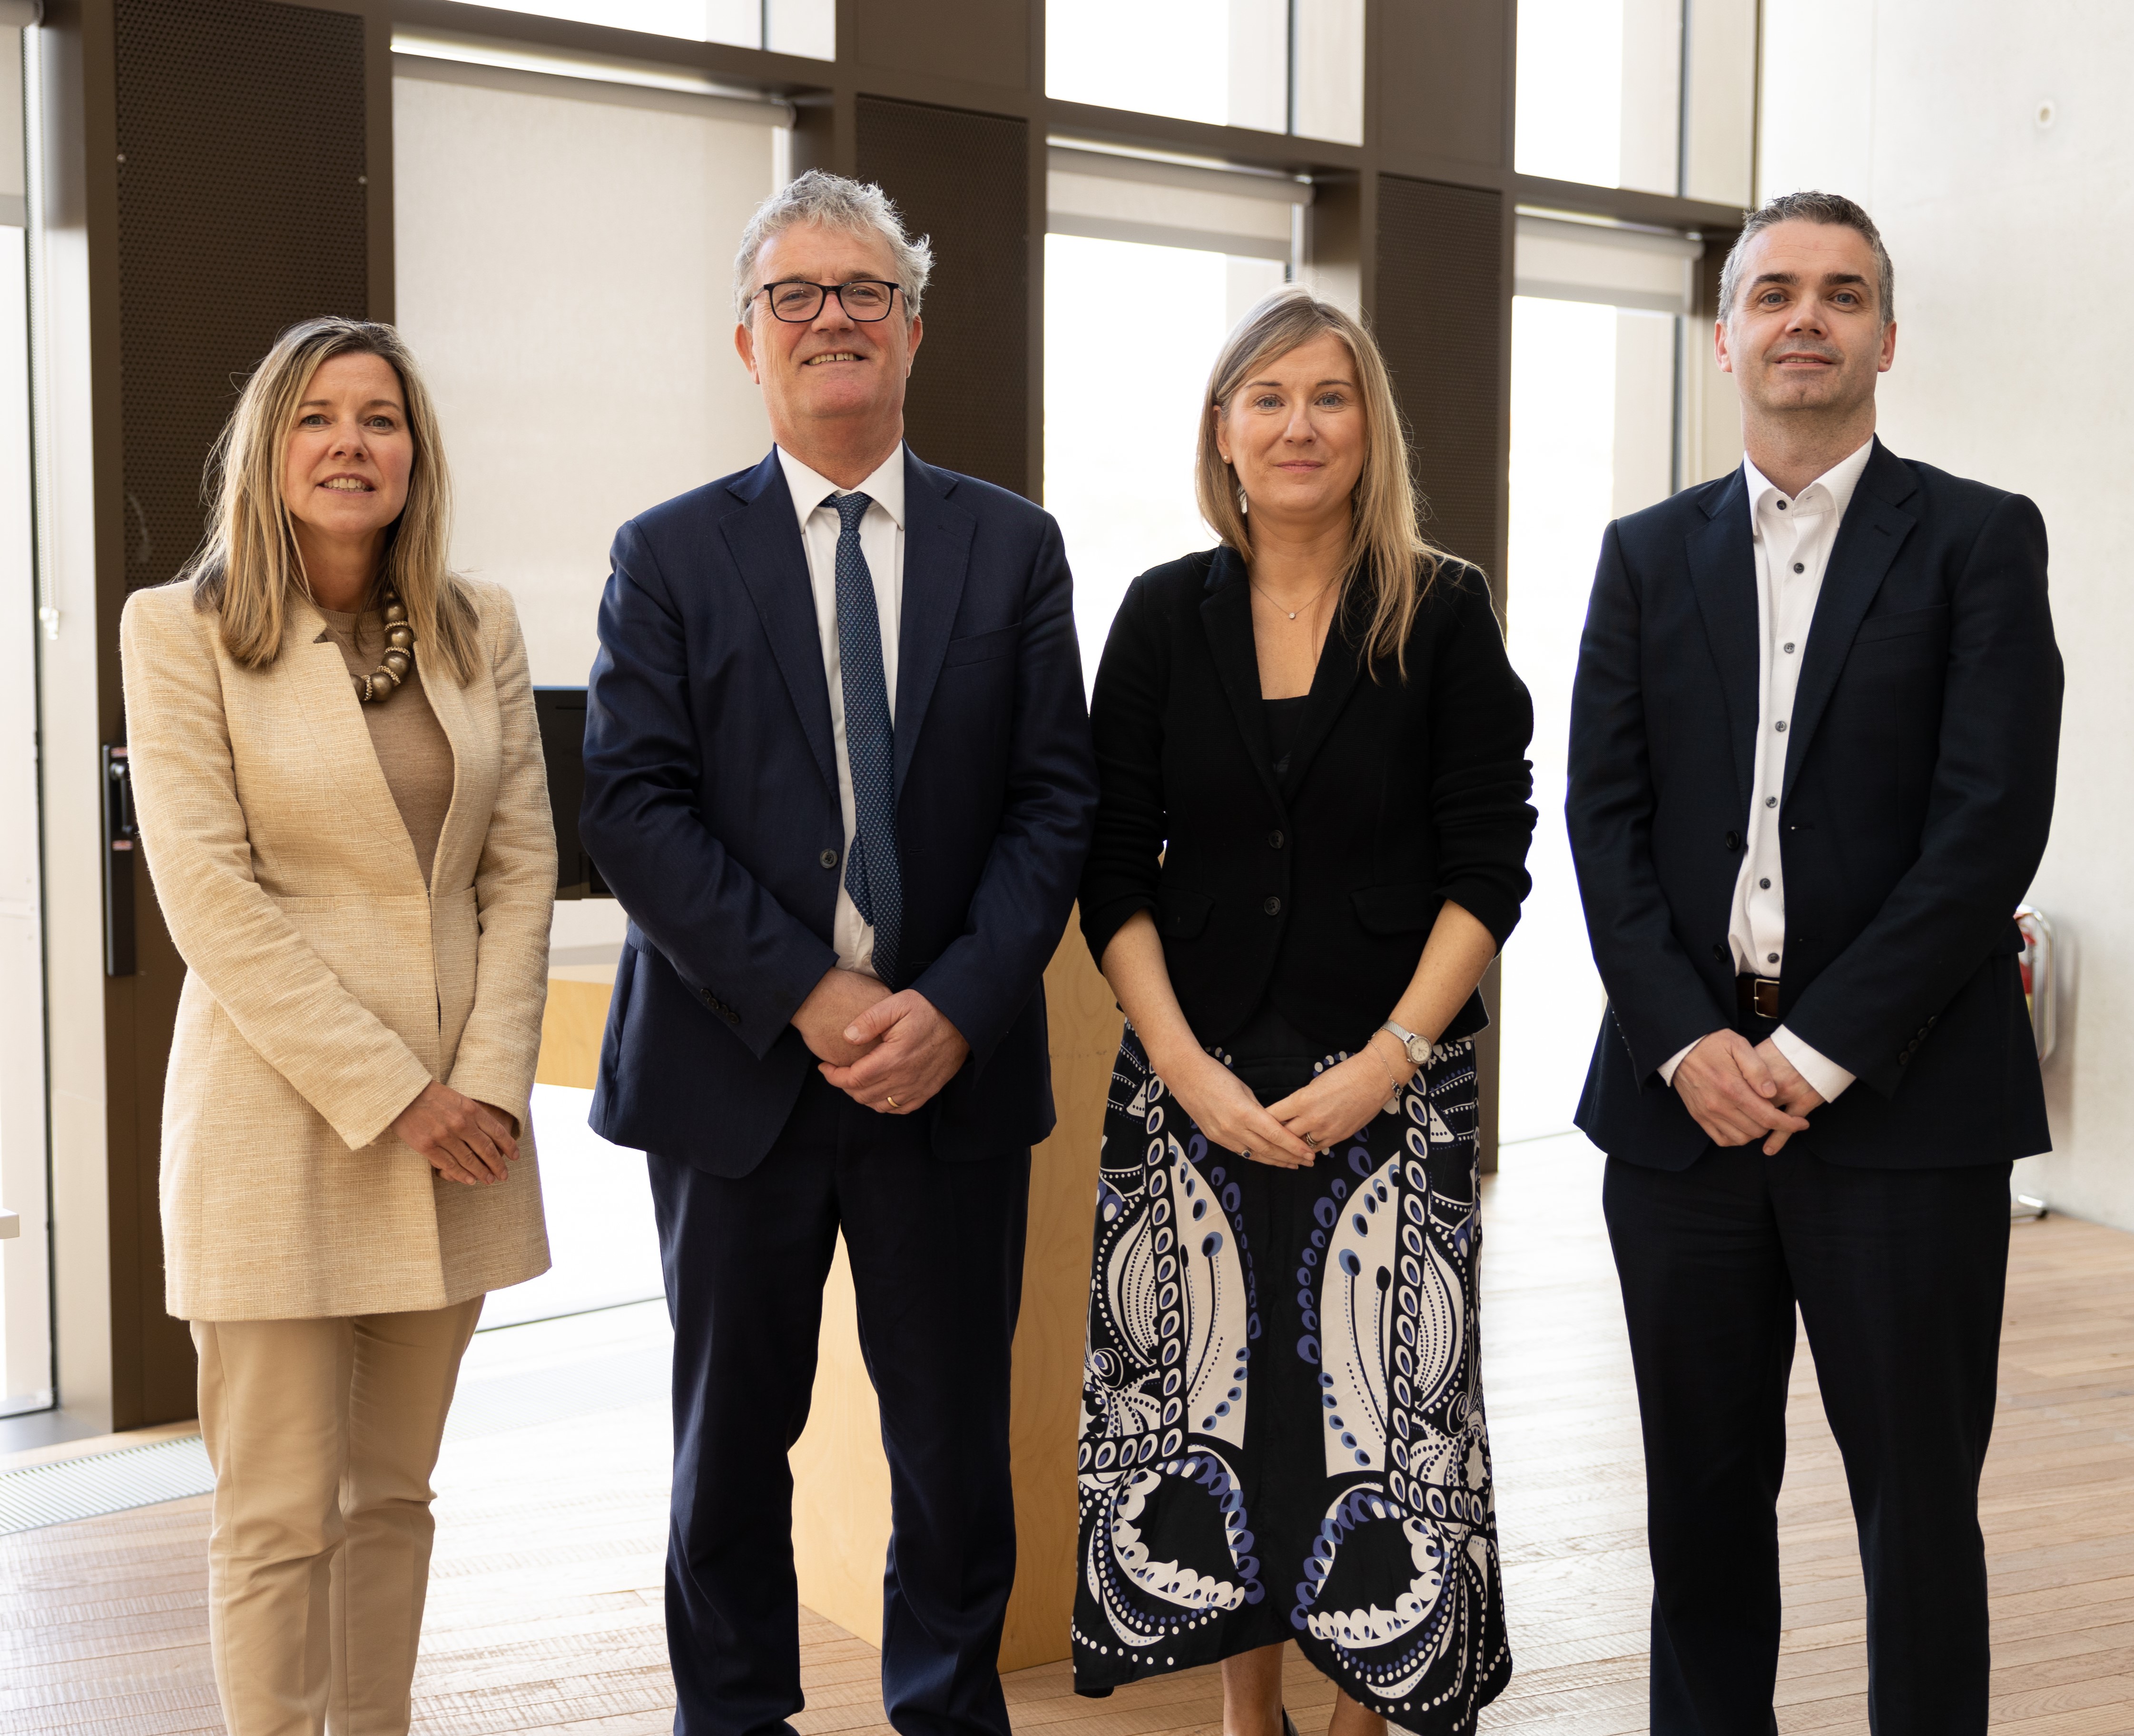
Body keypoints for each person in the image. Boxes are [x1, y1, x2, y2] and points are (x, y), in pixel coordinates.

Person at [579, 170, 1096, 1736]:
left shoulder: (1013, 550)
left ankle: (947, 1712)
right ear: (749, 343)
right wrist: (810, 992)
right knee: (730, 1444)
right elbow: (631, 804)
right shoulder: (667, 553)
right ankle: (731, 1717)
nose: (832, 320)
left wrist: (950, 1005)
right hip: (736, 1077)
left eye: (863, 290)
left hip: (951, 1075)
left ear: (914, 330)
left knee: (953, 1453)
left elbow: (1055, 802)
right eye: (796, 296)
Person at [1566, 191, 2062, 1735]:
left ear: (1886, 338)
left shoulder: (1981, 539)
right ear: (1724, 336)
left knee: (1918, 1518)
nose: (1806, 317)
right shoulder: (1645, 556)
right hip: (1680, 1115)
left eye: (1842, 295)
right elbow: (1604, 823)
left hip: (1905, 1111)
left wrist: (1813, 1053)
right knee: (1700, 1521)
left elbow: (1988, 833)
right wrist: (1688, 1045)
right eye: (1775, 291)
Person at [1071, 287, 1535, 1735]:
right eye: (1265, 398)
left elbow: (1489, 867)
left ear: (1368, 426)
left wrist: (1392, 1062)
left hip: (1390, 1088)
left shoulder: (1443, 610)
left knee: (1383, 1427)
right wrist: (1183, 1067)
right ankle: (1242, 1714)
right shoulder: (1161, 613)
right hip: (1193, 1089)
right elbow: (1111, 869)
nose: (1297, 426)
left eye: (1327, 397)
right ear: (1223, 431)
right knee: (1221, 1420)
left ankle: (1362, 1715)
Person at [119, 316, 555, 1736]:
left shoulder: (475, 622)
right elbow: (210, 898)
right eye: (317, 418)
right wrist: (399, 1094)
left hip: (461, 1131)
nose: (350, 444)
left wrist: (484, 1082)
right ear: (268, 446)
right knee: (278, 1514)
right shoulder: (176, 630)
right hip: (277, 1125)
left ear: (416, 452)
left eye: (379, 418)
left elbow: (521, 869)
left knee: (393, 1501)